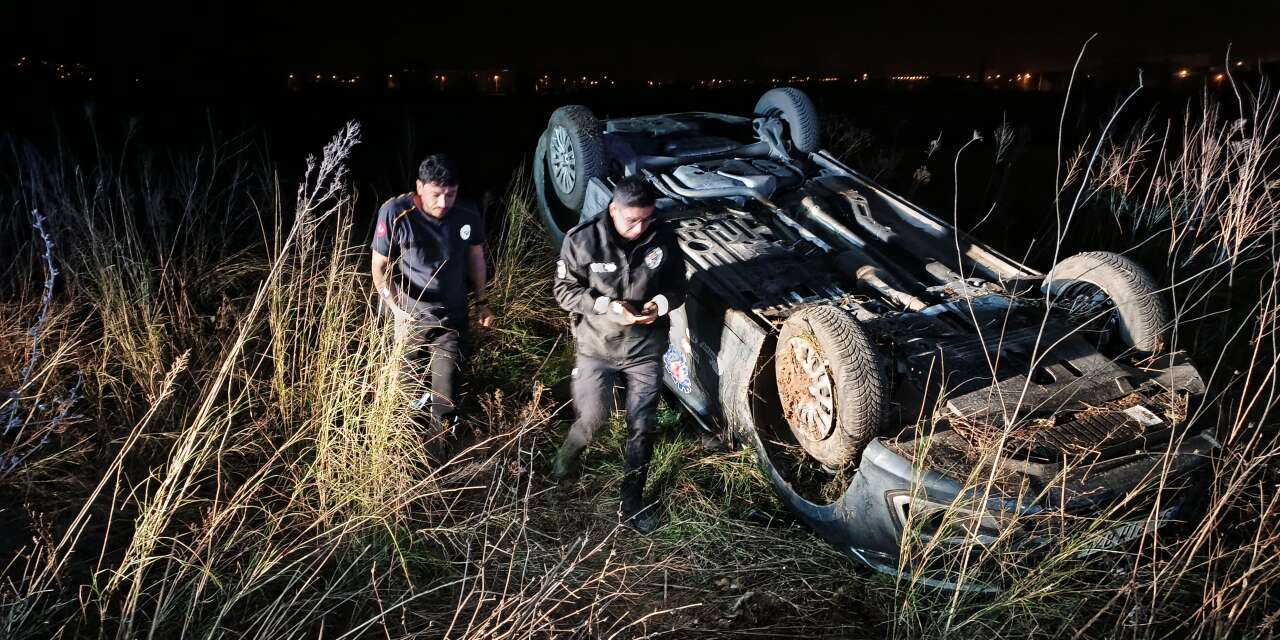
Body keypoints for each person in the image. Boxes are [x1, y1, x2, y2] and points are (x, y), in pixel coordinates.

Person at [551, 175, 687, 533]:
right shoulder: (582, 240)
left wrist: (659, 305)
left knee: (642, 426)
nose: (640, 227)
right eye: (632, 220)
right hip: (597, 347)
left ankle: (633, 502)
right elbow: (564, 292)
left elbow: (678, 287)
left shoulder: (664, 237)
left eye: (646, 218)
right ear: (613, 210)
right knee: (592, 419)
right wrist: (607, 307)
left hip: (645, 350)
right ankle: (563, 464)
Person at [370, 154, 495, 431]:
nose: (443, 203)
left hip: (451, 319)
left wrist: (482, 302)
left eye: (450, 195)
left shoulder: (466, 213)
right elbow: (379, 268)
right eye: (436, 194)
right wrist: (396, 310)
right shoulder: (395, 212)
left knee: (446, 393)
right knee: (407, 389)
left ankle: (438, 450)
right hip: (409, 318)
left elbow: (476, 258)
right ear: (420, 187)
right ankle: (403, 443)